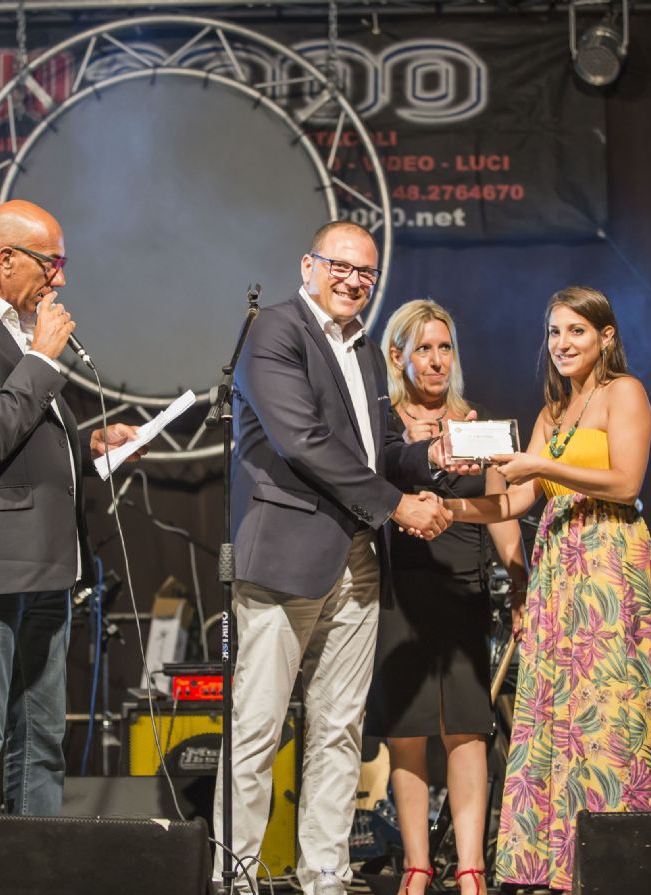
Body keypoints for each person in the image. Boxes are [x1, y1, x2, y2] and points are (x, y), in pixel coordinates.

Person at [212, 222, 459, 895]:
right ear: (309, 265)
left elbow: (376, 447)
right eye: (341, 266)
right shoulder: (275, 331)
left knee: (339, 727)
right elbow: (304, 442)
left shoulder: (367, 351)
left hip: (358, 559)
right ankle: (234, 875)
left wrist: (427, 458)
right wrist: (399, 505)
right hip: (287, 555)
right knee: (258, 728)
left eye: (366, 272)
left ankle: (323, 873)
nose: (354, 280)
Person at [0, 199, 143, 816]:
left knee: (41, 737)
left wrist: (91, 444)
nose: (60, 279)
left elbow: (24, 440)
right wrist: (41, 358)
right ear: (6, 258)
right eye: (52, 262)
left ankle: (36, 868)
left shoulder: (16, 326)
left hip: (48, 562)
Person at [442, 287, 651, 892]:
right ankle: (558, 863)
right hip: (558, 567)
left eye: (576, 331)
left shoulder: (625, 393)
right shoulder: (552, 412)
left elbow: (624, 481)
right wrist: (446, 506)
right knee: (554, 706)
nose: (563, 344)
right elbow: (515, 500)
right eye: (553, 333)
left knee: (608, 707)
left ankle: (621, 856)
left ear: (606, 337)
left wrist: (539, 466)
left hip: (609, 559)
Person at [366, 300, 529, 895]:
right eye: (424, 348)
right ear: (397, 355)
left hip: (463, 590)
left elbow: (502, 512)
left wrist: (519, 580)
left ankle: (469, 869)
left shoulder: (477, 423)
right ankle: (415, 864)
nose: (436, 361)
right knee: (405, 733)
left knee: (467, 730)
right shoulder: (378, 424)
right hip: (395, 594)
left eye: (445, 348)